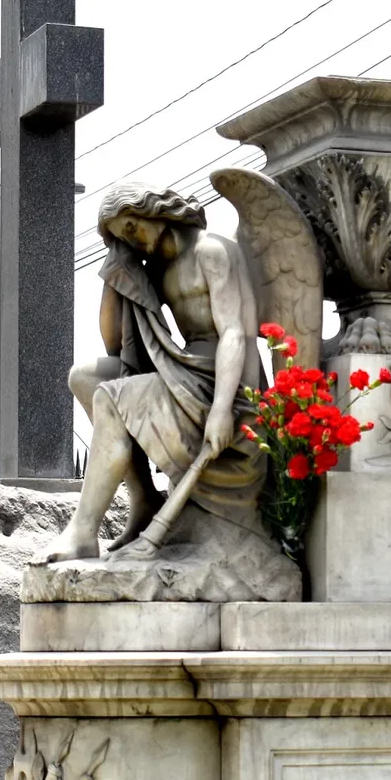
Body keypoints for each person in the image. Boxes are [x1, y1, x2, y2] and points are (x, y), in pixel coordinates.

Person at [38, 183, 267, 563]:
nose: (134, 240)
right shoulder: (158, 266)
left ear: (152, 210)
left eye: (131, 228)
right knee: (84, 378)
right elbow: (113, 341)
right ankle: (143, 497)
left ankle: (82, 533)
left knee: (110, 399)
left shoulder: (212, 250)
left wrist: (223, 408)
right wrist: (117, 266)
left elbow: (234, 333)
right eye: (123, 237)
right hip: (182, 368)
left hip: (219, 378)